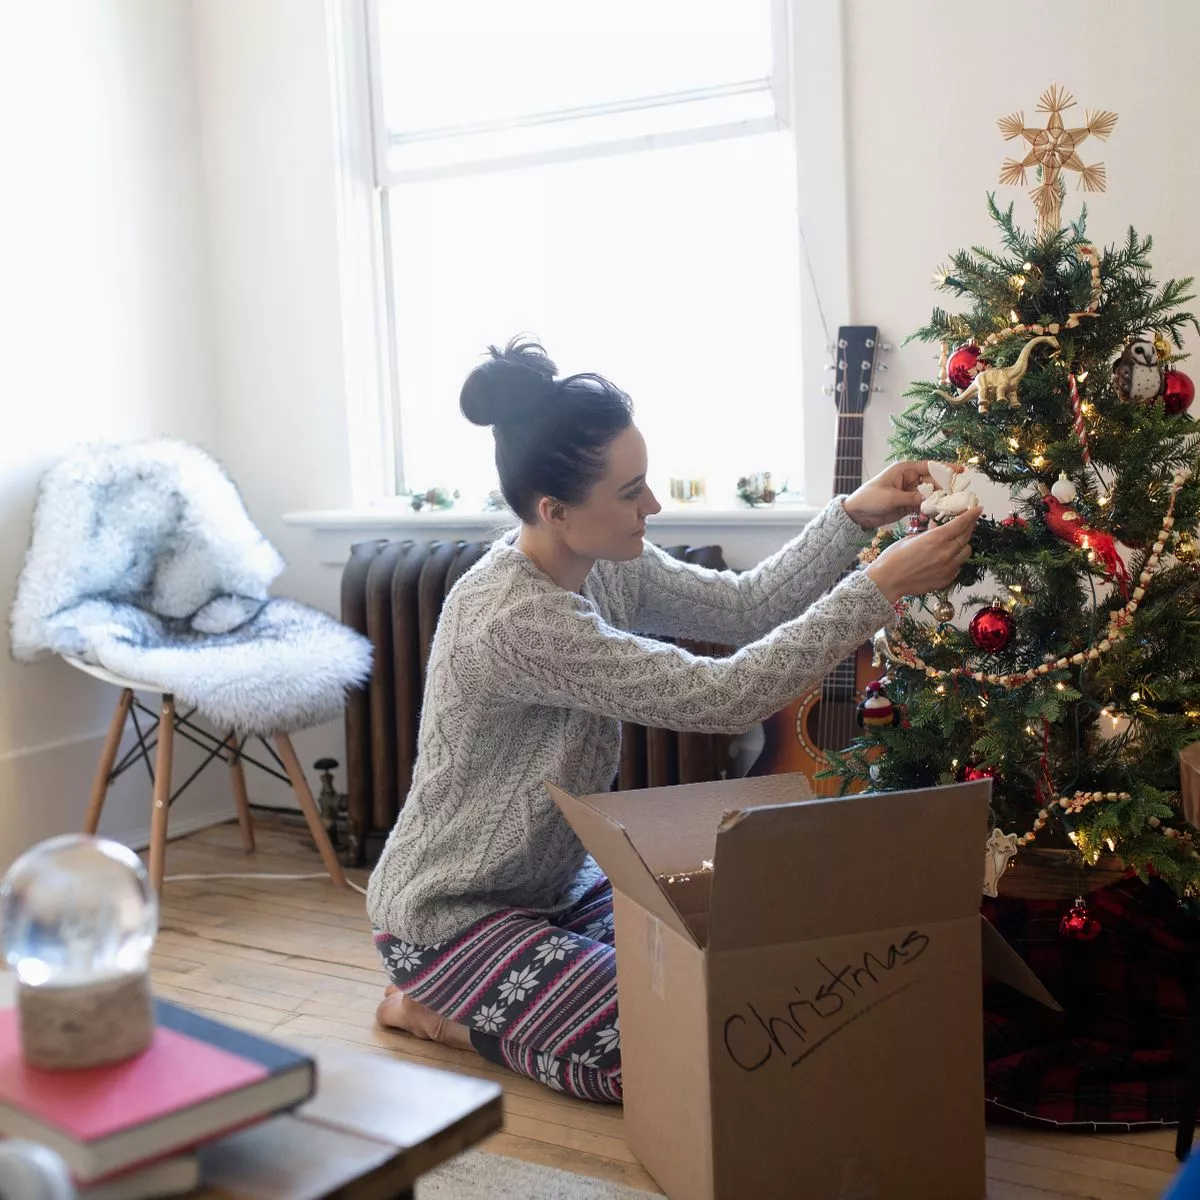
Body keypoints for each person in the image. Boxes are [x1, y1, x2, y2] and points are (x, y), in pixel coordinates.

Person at [367, 337, 980, 1103]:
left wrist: (854, 516)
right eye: (631, 492)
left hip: (557, 887)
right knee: (687, 1051)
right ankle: (445, 1015)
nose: (651, 507)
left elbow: (746, 606)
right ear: (557, 511)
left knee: (752, 998)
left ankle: (506, 1005)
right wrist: (875, 589)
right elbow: (724, 697)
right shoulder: (514, 619)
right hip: (448, 915)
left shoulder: (607, 564)